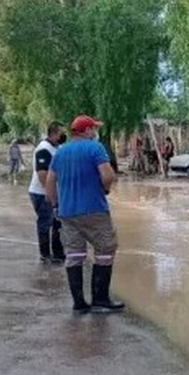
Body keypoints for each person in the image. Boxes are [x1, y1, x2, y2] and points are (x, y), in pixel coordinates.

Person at [46, 115, 124, 314]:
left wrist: (55, 206)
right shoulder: (95, 148)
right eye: (94, 128)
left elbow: (49, 183)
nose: (95, 132)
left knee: (74, 255)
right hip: (94, 210)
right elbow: (108, 175)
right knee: (105, 251)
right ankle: (100, 299)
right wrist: (104, 189)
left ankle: (79, 303)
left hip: (67, 213)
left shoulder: (60, 153)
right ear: (87, 130)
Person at [29, 123, 66, 264]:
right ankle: (45, 254)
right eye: (61, 133)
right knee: (46, 223)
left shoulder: (57, 148)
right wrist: (51, 194)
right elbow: (43, 175)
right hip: (41, 192)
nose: (63, 135)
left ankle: (58, 253)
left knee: (57, 223)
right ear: (54, 133)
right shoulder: (44, 149)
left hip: (54, 192)